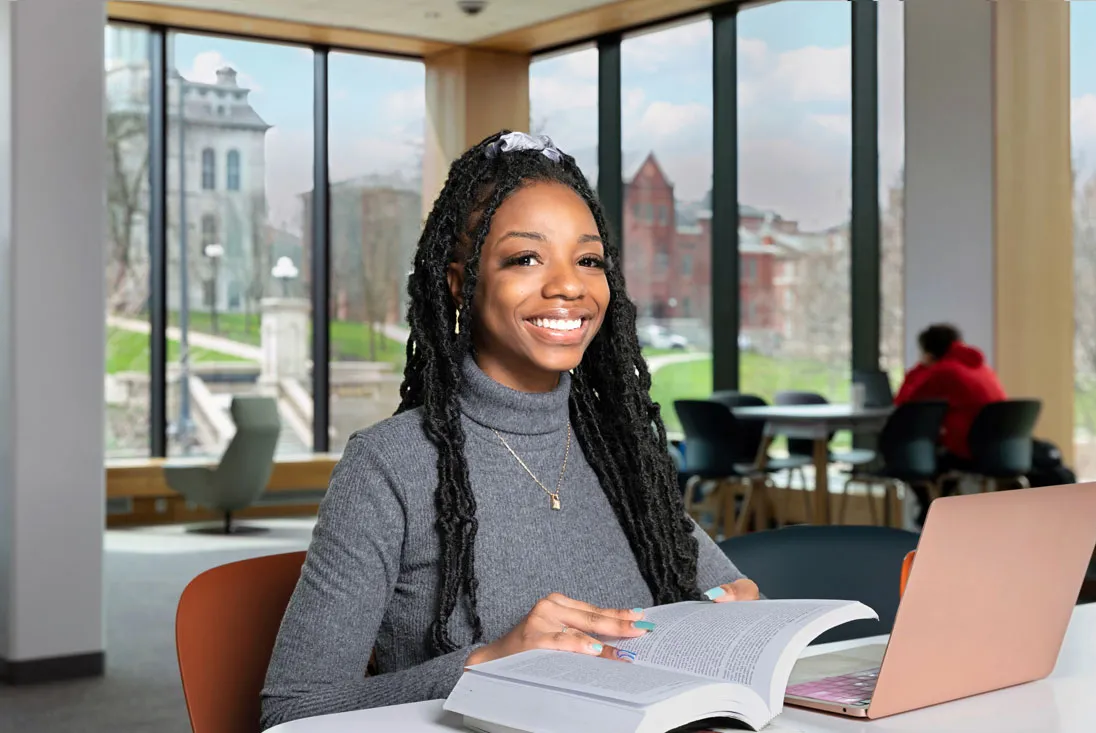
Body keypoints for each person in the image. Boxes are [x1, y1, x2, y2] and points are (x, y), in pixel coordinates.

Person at [260, 131, 757, 730]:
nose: (568, 285)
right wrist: (488, 664)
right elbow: (292, 713)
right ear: (459, 281)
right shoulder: (389, 465)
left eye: (589, 259)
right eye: (525, 258)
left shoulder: (621, 451)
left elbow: (727, 597)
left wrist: (737, 620)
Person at [894, 323, 1006, 521]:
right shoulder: (982, 368)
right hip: (1001, 449)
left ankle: (930, 515)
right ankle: (935, 511)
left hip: (969, 450)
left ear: (929, 351)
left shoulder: (945, 371)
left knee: (910, 458)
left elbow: (904, 402)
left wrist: (921, 366)